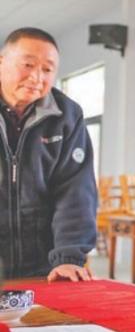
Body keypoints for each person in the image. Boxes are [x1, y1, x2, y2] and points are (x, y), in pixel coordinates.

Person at [0, 28, 97, 281]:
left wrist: (68, 257)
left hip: (43, 267)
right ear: (2, 61)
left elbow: (75, 191)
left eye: (47, 69)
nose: (36, 77)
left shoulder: (67, 116)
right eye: (28, 65)